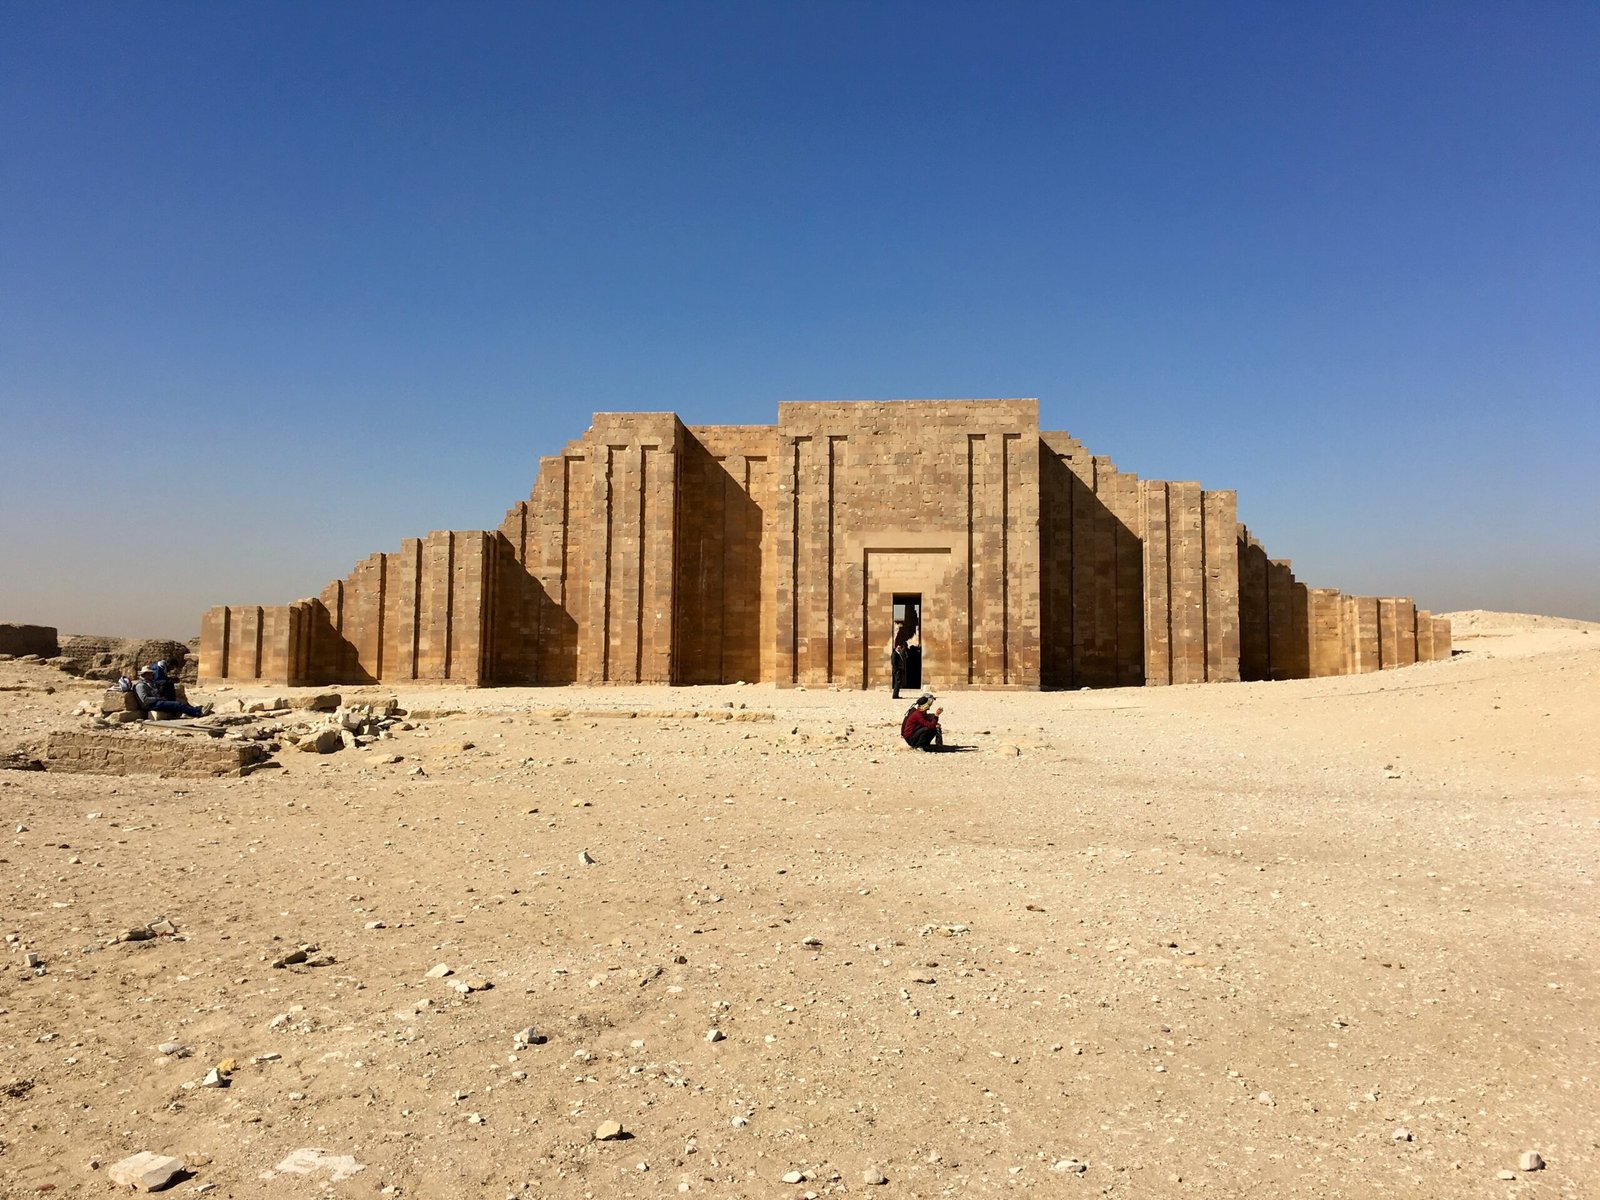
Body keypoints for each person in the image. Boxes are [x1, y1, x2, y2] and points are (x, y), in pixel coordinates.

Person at [134, 667, 207, 719]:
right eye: (149, 674)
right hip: (150, 705)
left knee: (176, 703)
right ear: (144, 675)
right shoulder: (141, 685)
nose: (151, 676)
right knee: (176, 704)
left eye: (151, 674)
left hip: (155, 702)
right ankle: (197, 713)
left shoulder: (149, 683)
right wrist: (158, 698)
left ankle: (196, 709)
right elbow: (145, 699)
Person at [890, 614, 918, 699]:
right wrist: (897, 669)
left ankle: (896, 695)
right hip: (898, 670)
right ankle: (895, 695)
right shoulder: (895, 654)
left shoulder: (899, 652)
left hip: (900, 669)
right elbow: (894, 662)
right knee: (897, 682)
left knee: (898, 682)